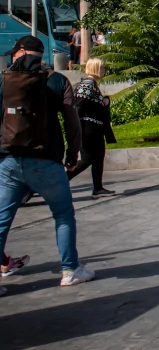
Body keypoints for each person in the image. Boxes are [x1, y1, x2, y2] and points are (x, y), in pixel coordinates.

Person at [0, 35, 95, 287]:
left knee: (2, 219)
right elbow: (71, 122)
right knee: (63, 214)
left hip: (9, 161)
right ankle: (70, 270)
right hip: (46, 161)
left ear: (21, 51)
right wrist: (72, 156)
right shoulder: (56, 80)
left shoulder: (4, 80)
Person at [67, 58, 116, 198]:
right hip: (88, 129)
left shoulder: (91, 85)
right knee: (87, 159)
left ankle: (98, 188)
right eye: (101, 67)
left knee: (99, 157)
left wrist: (104, 101)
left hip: (95, 129)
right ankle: (62, 181)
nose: (103, 70)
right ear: (95, 68)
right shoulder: (87, 85)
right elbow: (79, 106)